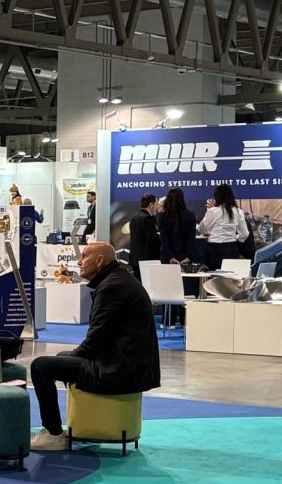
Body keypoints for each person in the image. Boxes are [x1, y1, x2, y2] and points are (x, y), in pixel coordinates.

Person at [29, 242, 160, 450]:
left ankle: (53, 434)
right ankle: (82, 423)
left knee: (40, 366)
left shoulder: (111, 287)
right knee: (61, 357)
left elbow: (95, 340)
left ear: (99, 261)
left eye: (84, 256)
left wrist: (73, 356)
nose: (79, 262)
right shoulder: (119, 279)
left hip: (119, 368)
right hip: (129, 362)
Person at [198, 184, 249, 270]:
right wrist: (235, 238)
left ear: (217, 197)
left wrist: (209, 211)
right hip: (232, 249)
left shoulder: (213, 211)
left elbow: (202, 229)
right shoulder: (238, 211)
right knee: (231, 276)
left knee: (213, 277)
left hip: (215, 250)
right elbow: (245, 234)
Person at [158, 187, 196, 266]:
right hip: (185, 259)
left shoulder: (162, 216)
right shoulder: (190, 215)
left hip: (167, 258)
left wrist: (170, 256)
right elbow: (191, 239)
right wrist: (188, 256)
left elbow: (164, 239)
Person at [128, 193, 160, 279]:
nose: (157, 207)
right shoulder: (148, 218)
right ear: (151, 205)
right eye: (156, 204)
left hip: (135, 259)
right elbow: (153, 239)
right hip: (146, 260)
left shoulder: (134, 217)